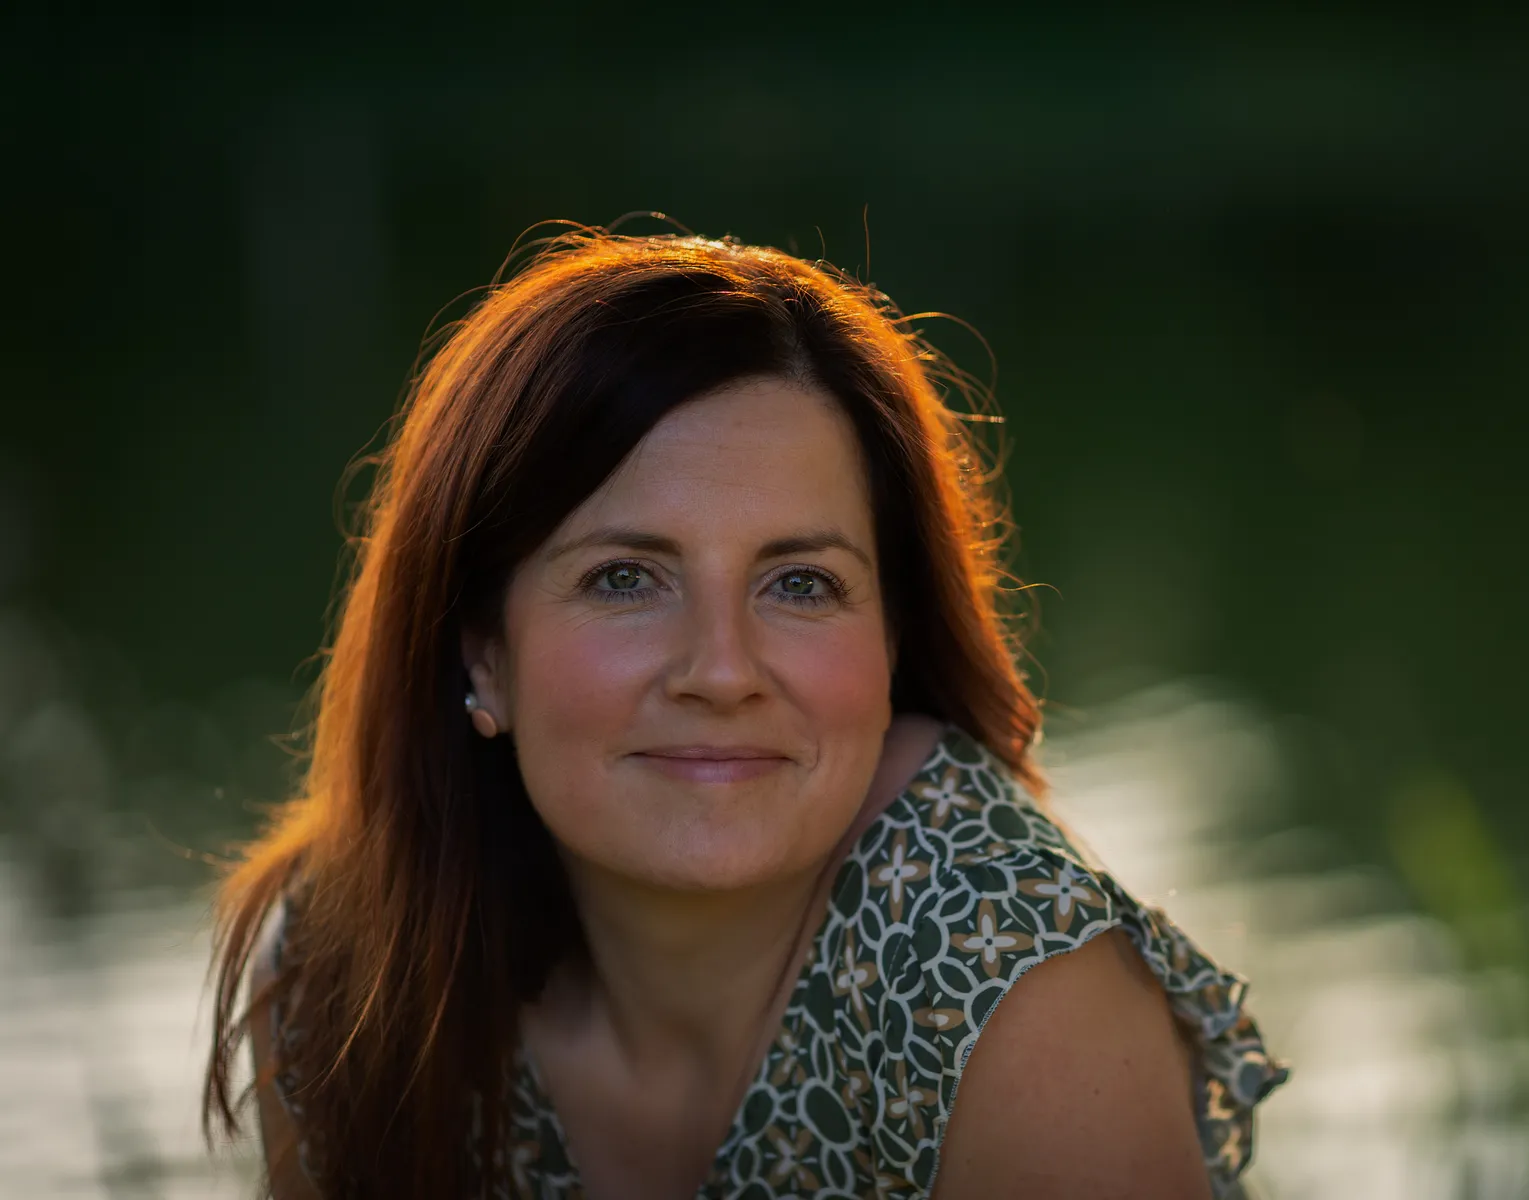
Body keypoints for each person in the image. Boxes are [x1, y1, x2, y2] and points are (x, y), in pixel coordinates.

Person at [203, 226, 1287, 1199]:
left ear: (892, 641)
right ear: (483, 654)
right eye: (627, 578)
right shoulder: (348, 972)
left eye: (800, 584)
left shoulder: (1012, 989)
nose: (722, 672)